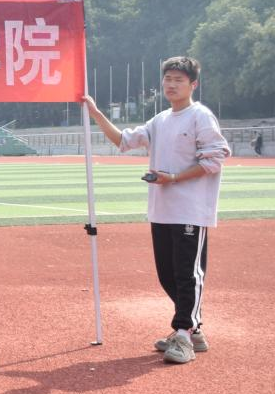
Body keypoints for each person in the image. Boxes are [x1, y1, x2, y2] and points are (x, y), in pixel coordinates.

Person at [82, 56, 231, 364]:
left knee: (187, 274)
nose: (171, 85)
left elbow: (215, 158)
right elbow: (124, 141)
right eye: (168, 79)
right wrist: (96, 113)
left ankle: (184, 334)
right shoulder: (160, 120)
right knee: (167, 275)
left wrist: (174, 178)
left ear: (193, 84)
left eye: (179, 80)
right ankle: (192, 330)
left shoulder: (200, 116)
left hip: (190, 210)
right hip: (162, 210)